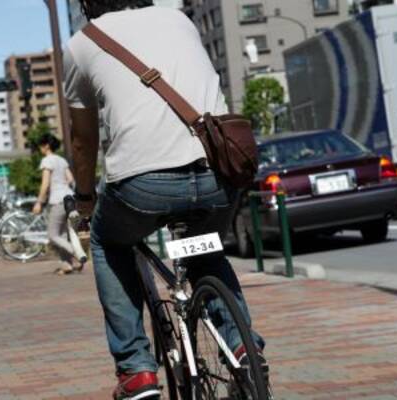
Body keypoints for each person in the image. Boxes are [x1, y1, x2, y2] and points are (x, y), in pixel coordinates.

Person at [65, 1, 267, 399]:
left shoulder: (81, 44)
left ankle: (136, 370)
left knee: (108, 242)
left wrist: (85, 201)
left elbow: (83, 140)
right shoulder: (179, 18)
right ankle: (244, 348)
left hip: (142, 186)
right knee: (203, 250)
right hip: (218, 172)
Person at [32, 133, 83, 275]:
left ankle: (77, 253)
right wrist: (63, 186)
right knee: (62, 234)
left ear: (46, 146)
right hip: (70, 198)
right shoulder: (61, 160)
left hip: (58, 200)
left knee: (53, 235)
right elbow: (71, 179)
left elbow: (45, 184)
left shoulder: (47, 160)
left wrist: (39, 202)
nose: (40, 149)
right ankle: (66, 265)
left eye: (41, 146)